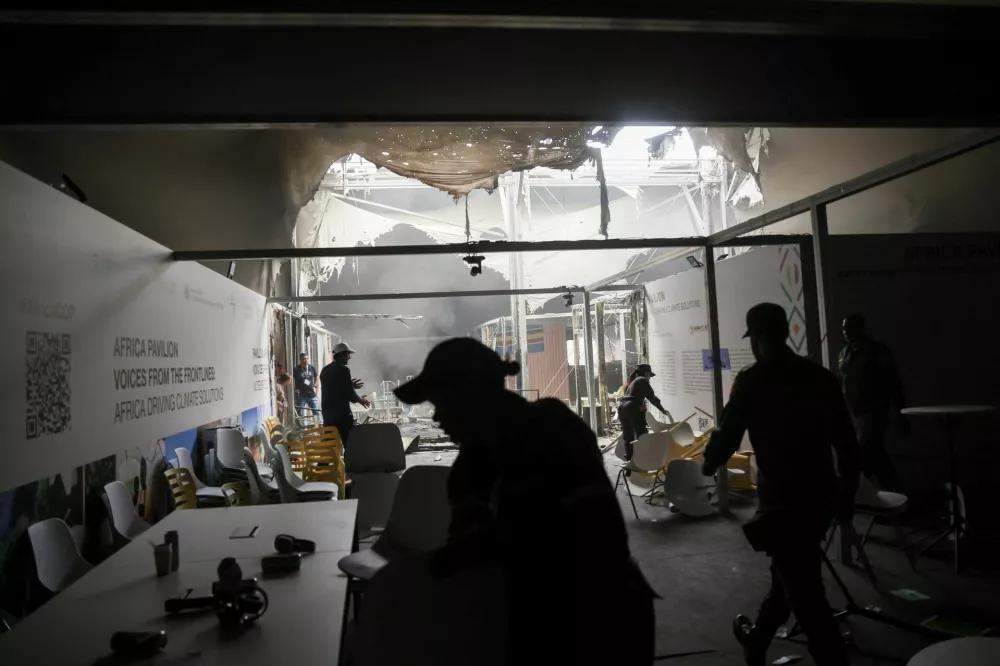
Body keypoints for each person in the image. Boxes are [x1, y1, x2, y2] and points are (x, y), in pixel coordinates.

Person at [394, 338, 657, 666]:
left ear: (469, 397)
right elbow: (468, 549)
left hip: (597, 621)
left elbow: (596, 540)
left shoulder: (554, 432)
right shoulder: (472, 466)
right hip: (530, 619)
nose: (437, 419)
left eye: (441, 404)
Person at [702, 303, 860, 666]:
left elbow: (727, 433)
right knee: (788, 576)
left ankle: (828, 658)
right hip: (820, 497)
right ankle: (756, 642)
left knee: (806, 597)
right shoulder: (822, 378)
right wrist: (846, 494)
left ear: (757, 338)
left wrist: (710, 464)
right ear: (786, 332)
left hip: (782, 504)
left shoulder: (752, 381)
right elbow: (847, 444)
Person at [839, 313, 908, 491]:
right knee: (876, 455)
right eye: (844, 328)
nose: (845, 331)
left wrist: (901, 413)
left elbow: (894, 382)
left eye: (850, 327)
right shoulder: (844, 353)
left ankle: (856, 494)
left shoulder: (877, 352)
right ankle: (893, 494)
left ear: (861, 328)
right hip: (853, 414)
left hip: (873, 412)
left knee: (866, 453)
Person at [617, 363, 672, 460]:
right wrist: (662, 409)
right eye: (649, 376)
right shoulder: (642, 380)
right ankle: (643, 460)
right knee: (642, 435)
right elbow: (652, 398)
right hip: (631, 408)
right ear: (646, 373)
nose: (649, 378)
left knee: (628, 436)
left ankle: (630, 461)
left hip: (622, 408)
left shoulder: (633, 382)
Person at [320, 342, 370, 448]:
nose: (349, 358)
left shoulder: (325, 370)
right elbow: (349, 394)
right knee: (350, 445)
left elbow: (333, 387)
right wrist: (360, 400)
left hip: (328, 415)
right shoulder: (344, 370)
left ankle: (323, 464)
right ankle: (351, 464)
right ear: (342, 354)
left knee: (329, 446)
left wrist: (349, 384)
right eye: (348, 354)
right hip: (342, 415)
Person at [292, 353, 320, 423]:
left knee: (316, 412)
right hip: (301, 395)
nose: (306, 360)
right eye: (304, 359)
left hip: (311, 395)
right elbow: (291, 379)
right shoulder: (296, 369)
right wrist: (294, 388)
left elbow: (316, 377)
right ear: (300, 360)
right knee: (299, 413)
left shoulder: (311, 368)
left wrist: (315, 386)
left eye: (307, 359)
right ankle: (300, 429)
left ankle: (318, 428)